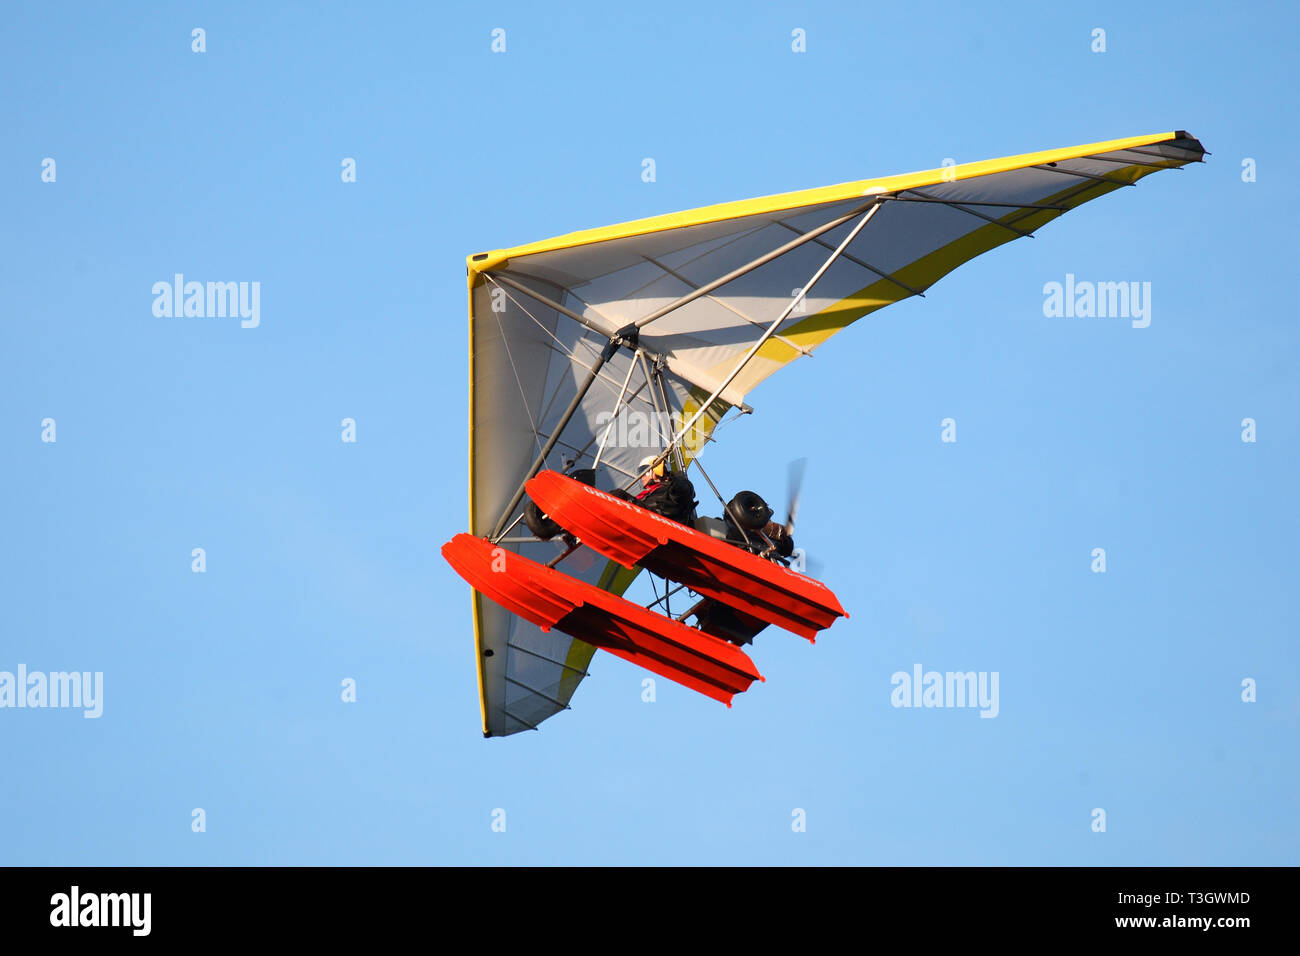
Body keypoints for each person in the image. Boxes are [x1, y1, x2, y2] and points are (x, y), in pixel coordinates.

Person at [611, 454, 698, 527]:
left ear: (654, 470)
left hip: (665, 527)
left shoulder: (675, 488)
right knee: (617, 495)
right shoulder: (649, 494)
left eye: (643, 472)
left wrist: (676, 478)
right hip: (647, 522)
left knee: (620, 495)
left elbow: (684, 490)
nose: (642, 477)